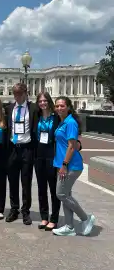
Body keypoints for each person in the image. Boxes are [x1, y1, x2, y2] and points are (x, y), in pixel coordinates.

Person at [52, 97, 95, 236]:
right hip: (63, 163)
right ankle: (69, 227)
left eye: (62, 106)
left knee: (61, 194)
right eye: (57, 106)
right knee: (66, 194)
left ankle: (85, 218)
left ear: (68, 107)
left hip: (71, 165)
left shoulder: (70, 122)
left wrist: (64, 165)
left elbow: (72, 146)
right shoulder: (63, 121)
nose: (59, 108)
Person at [6, 83, 38, 225]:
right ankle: (14, 209)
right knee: (12, 181)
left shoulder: (33, 108)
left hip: (27, 149)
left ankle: (26, 211)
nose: (17, 96)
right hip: (13, 148)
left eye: (19, 93)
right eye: (15, 93)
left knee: (26, 182)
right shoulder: (9, 108)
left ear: (26, 93)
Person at [34, 92, 61, 231]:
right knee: (41, 188)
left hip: (52, 155)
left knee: (53, 189)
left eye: (45, 101)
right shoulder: (37, 116)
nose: (42, 103)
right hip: (39, 155)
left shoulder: (56, 117)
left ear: (49, 102)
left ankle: (54, 218)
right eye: (40, 101)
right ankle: (44, 216)